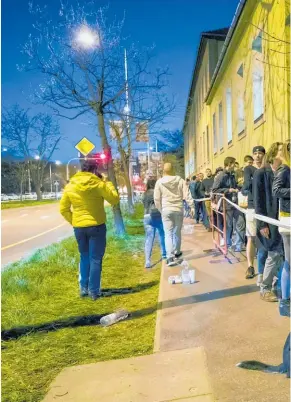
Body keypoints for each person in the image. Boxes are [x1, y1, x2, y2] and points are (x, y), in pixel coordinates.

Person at [60, 159, 119, 300]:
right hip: (96, 226)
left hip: (79, 227)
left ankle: (83, 288)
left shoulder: (71, 186)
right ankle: (94, 291)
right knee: (95, 259)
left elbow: (63, 209)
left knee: (84, 256)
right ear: (94, 170)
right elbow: (114, 199)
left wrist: (74, 221)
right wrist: (107, 182)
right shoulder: (98, 184)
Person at [253, 143, 283, 302]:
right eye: (280, 151)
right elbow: (258, 202)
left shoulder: (283, 171)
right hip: (269, 221)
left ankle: (277, 285)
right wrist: (262, 225)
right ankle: (265, 288)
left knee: (282, 255)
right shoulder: (261, 173)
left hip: (283, 220)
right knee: (274, 253)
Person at [154, 162, 192, 266]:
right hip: (178, 209)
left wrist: (161, 209)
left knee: (168, 234)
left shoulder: (159, 182)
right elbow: (187, 194)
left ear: (163, 171)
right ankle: (177, 252)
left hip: (166, 209)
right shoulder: (180, 180)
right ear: (173, 170)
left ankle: (170, 258)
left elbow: (156, 199)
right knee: (177, 232)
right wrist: (192, 206)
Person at [242, 146, 265, 279]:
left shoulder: (267, 168)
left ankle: (264, 267)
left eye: (260, 153)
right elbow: (246, 186)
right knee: (251, 236)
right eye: (255, 153)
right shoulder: (248, 169)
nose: (257, 156)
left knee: (264, 236)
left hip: (265, 208)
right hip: (252, 207)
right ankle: (250, 266)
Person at [212, 156, 246, 250]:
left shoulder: (232, 174)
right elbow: (215, 189)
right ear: (229, 164)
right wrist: (228, 190)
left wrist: (239, 187)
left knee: (240, 223)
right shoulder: (221, 176)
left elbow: (235, 186)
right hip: (226, 205)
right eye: (233, 164)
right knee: (228, 225)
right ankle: (228, 243)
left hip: (235, 203)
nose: (235, 166)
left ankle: (239, 245)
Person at [273, 141, 291, 316]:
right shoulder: (285, 169)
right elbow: (276, 190)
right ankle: (284, 302)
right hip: (288, 220)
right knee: (290, 262)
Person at [143, 178, 166, 269]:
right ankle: (164, 254)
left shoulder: (144, 194)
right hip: (157, 215)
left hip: (147, 216)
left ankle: (147, 260)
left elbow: (144, 205)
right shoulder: (157, 192)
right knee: (162, 234)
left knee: (149, 239)